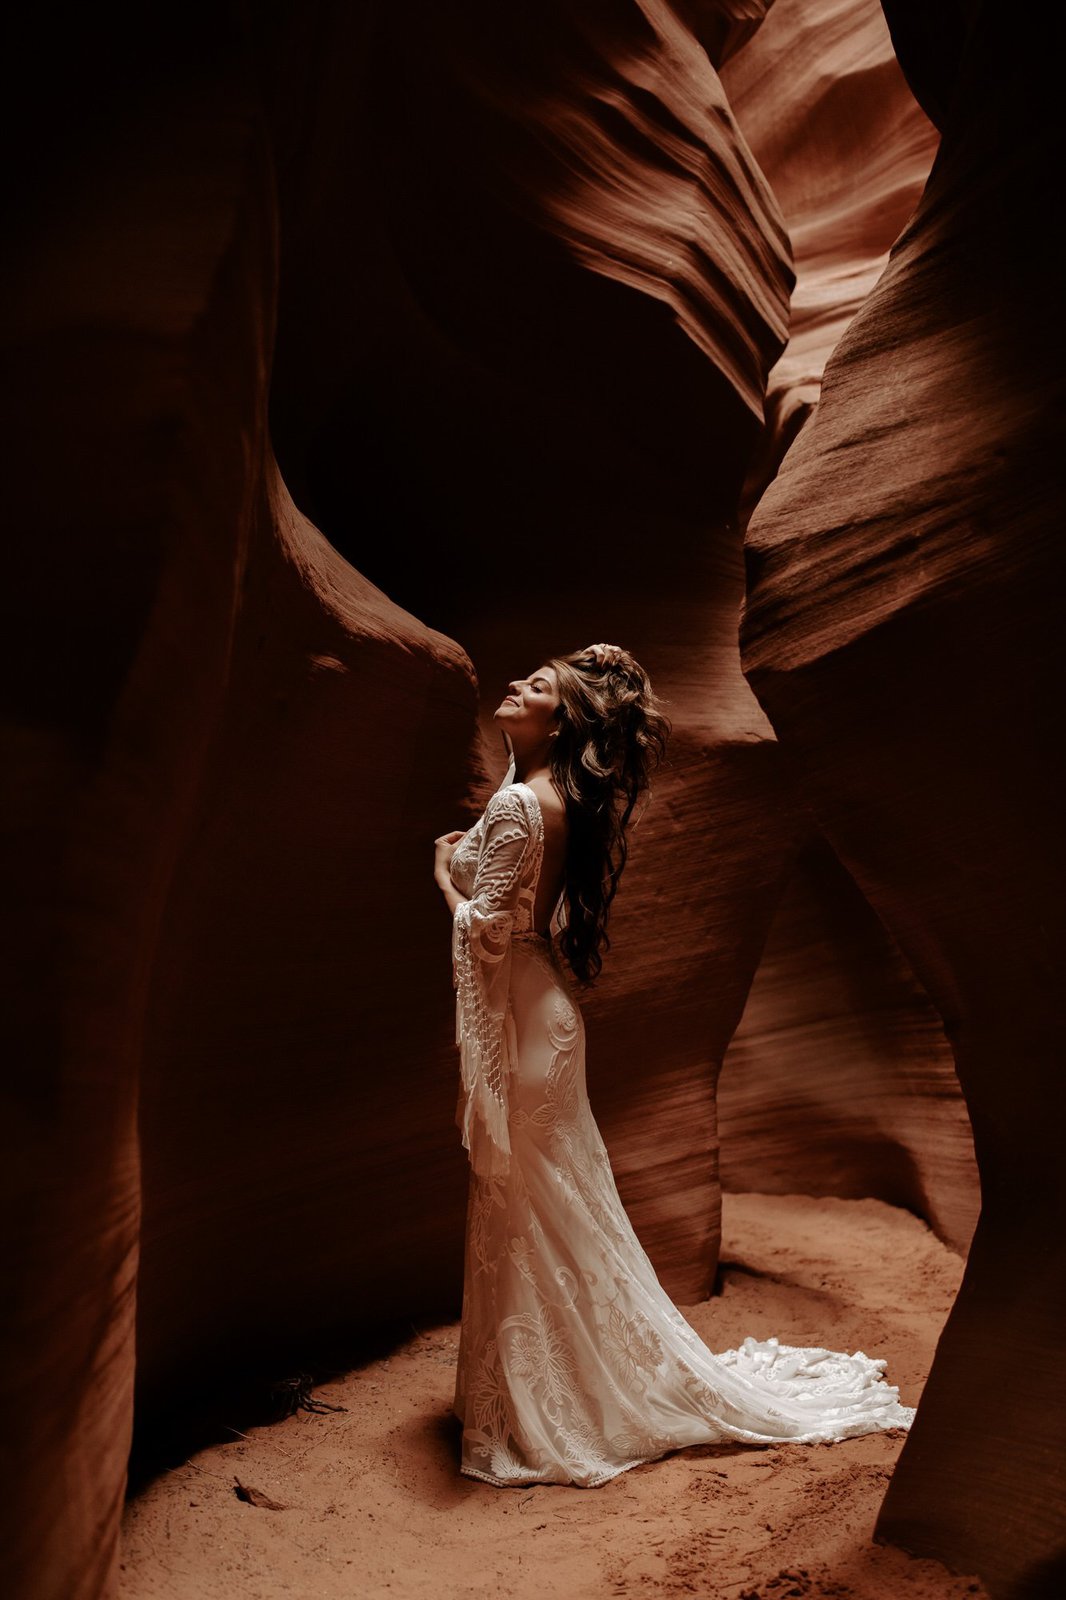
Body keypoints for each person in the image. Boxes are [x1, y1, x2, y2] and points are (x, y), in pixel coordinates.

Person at [433, 643, 914, 1487]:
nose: (515, 685)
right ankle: (546, 1387)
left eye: (537, 686)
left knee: (531, 1214)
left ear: (566, 720)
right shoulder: (549, 798)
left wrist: (445, 874)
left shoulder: (518, 803)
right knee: (549, 1213)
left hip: (525, 1020)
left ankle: (546, 1405)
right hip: (542, 1013)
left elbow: (487, 932)